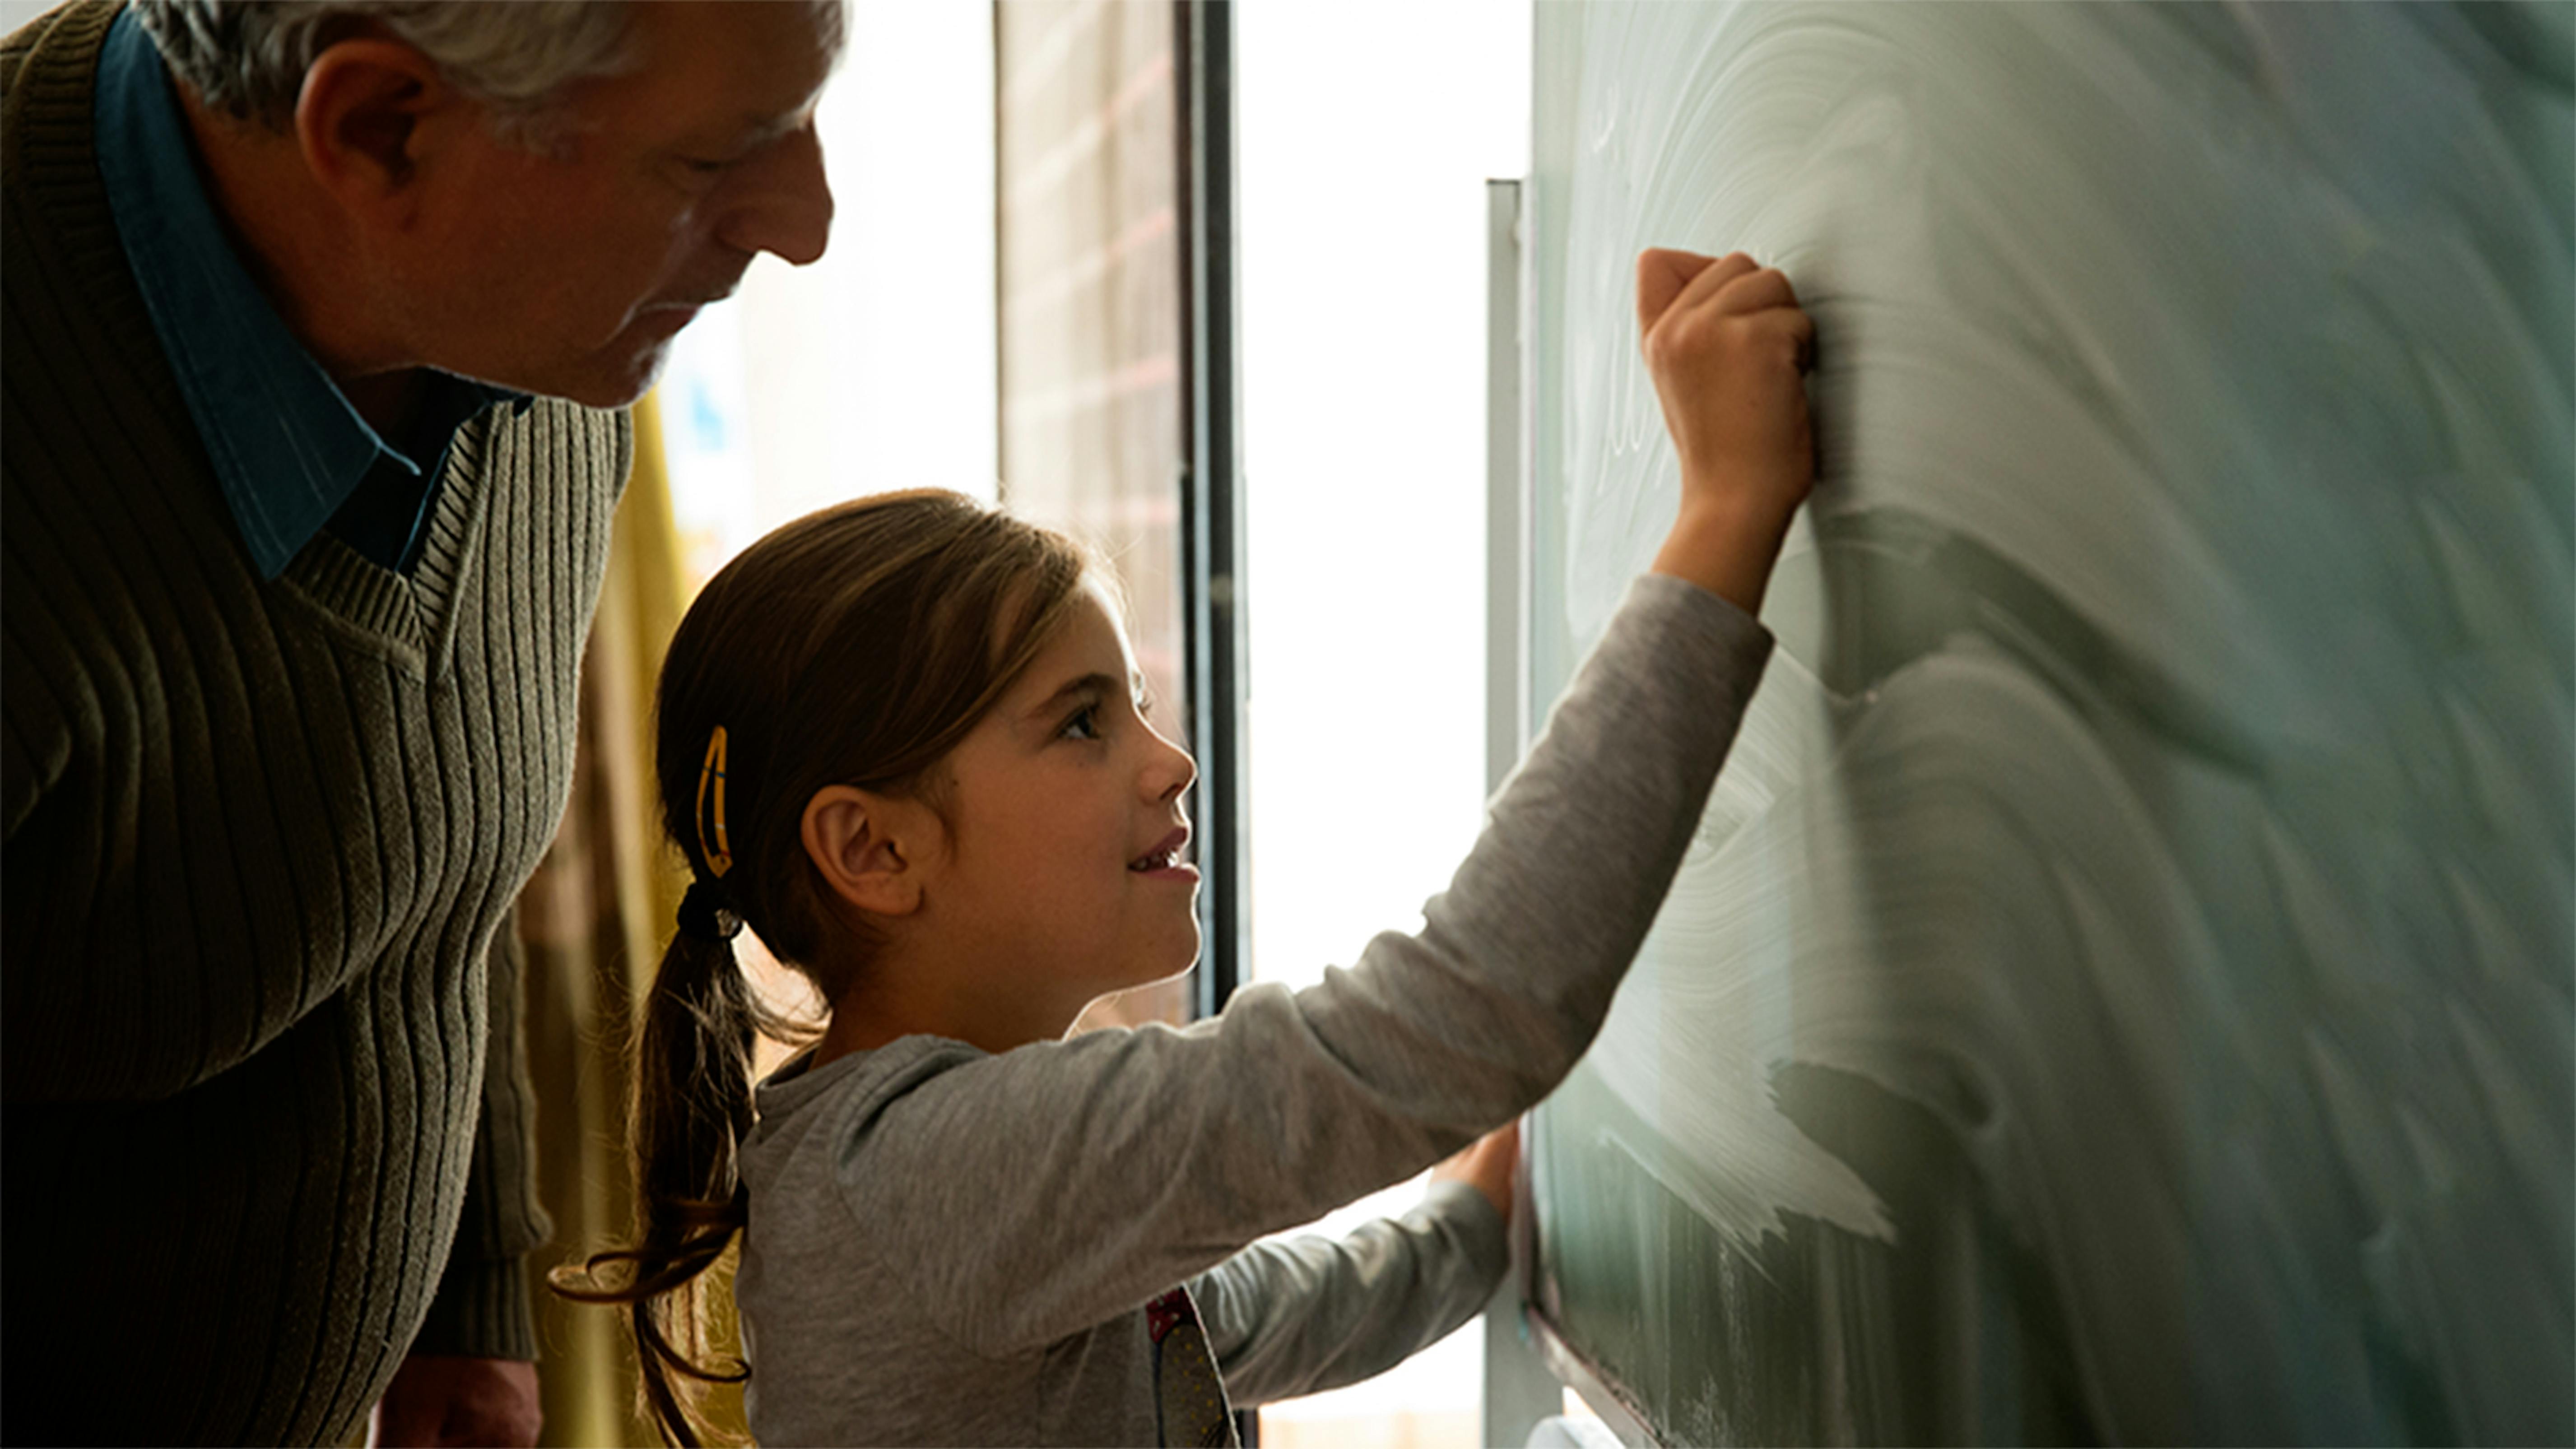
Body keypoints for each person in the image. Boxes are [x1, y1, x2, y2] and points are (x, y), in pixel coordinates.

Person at [555, 247, 1817, 1446]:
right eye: (1082, 722)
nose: (1170, 761)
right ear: (874, 850)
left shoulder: (968, 1186)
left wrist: (1474, 1216)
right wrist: (1726, 508)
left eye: (1137, 706)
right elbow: (1461, 1007)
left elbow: (1291, 1308)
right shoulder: (935, 1170)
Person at [0, 2, 839, 1444]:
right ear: (380, 128)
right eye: (718, 154)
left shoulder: (538, 312)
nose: (805, 221)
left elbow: (433, 826)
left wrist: (465, 1301)